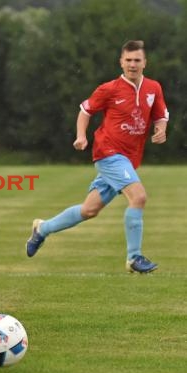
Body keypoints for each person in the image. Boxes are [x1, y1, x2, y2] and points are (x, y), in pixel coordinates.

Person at [26, 40, 169, 274]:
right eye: (128, 60)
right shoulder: (109, 89)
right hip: (109, 153)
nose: (132, 64)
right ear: (121, 62)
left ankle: (42, 229)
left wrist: (161, 128)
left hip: (129, 159)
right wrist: (81, 136)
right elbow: (85, 111)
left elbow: (160, 114)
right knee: (139, 197)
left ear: (145, 63)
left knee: (89, 210)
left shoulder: (154, 88)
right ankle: (134, 258)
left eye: (137, 60)